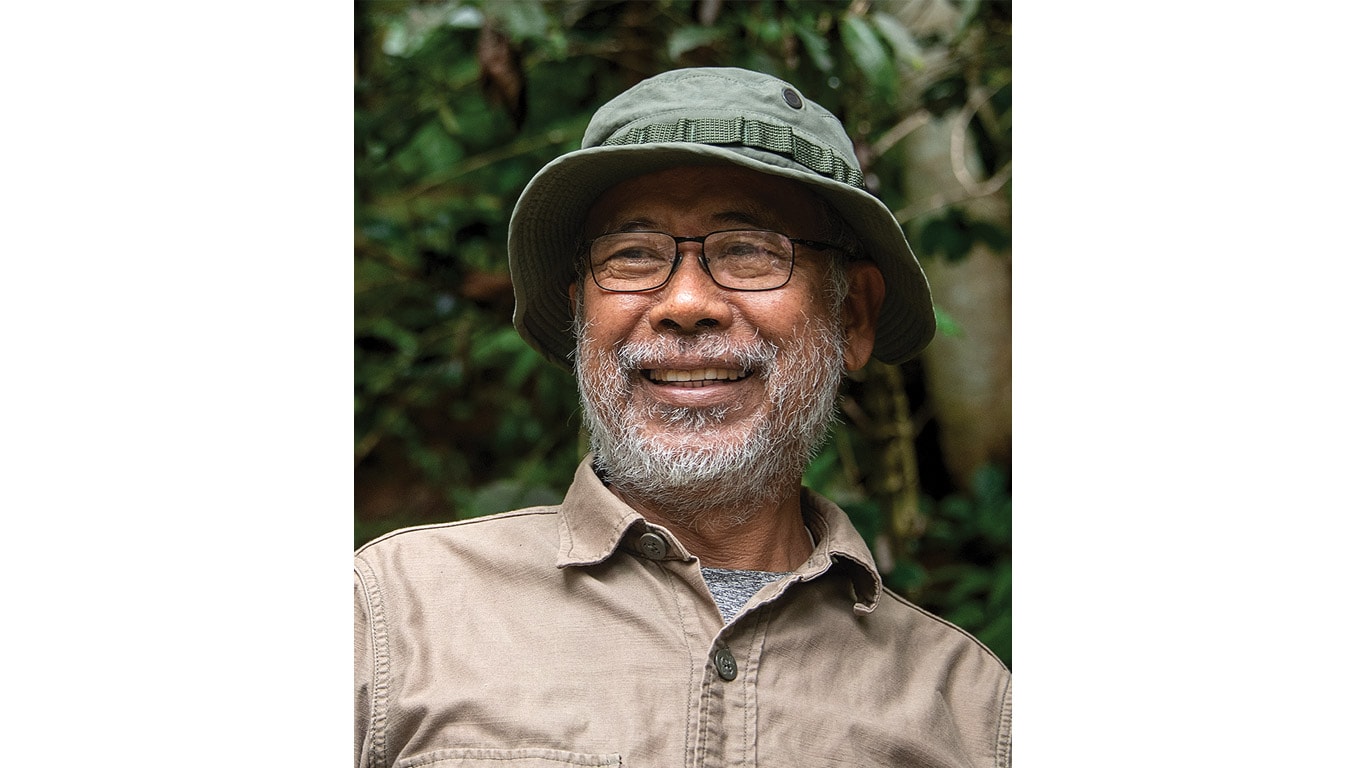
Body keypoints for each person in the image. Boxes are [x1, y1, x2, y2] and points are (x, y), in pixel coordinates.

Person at [355, 67, 1011, 768]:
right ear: (582, 317)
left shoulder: (973, 714)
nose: (686, 301)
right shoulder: (393, 615)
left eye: (750, 251)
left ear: (849, 317)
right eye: (632, 255)